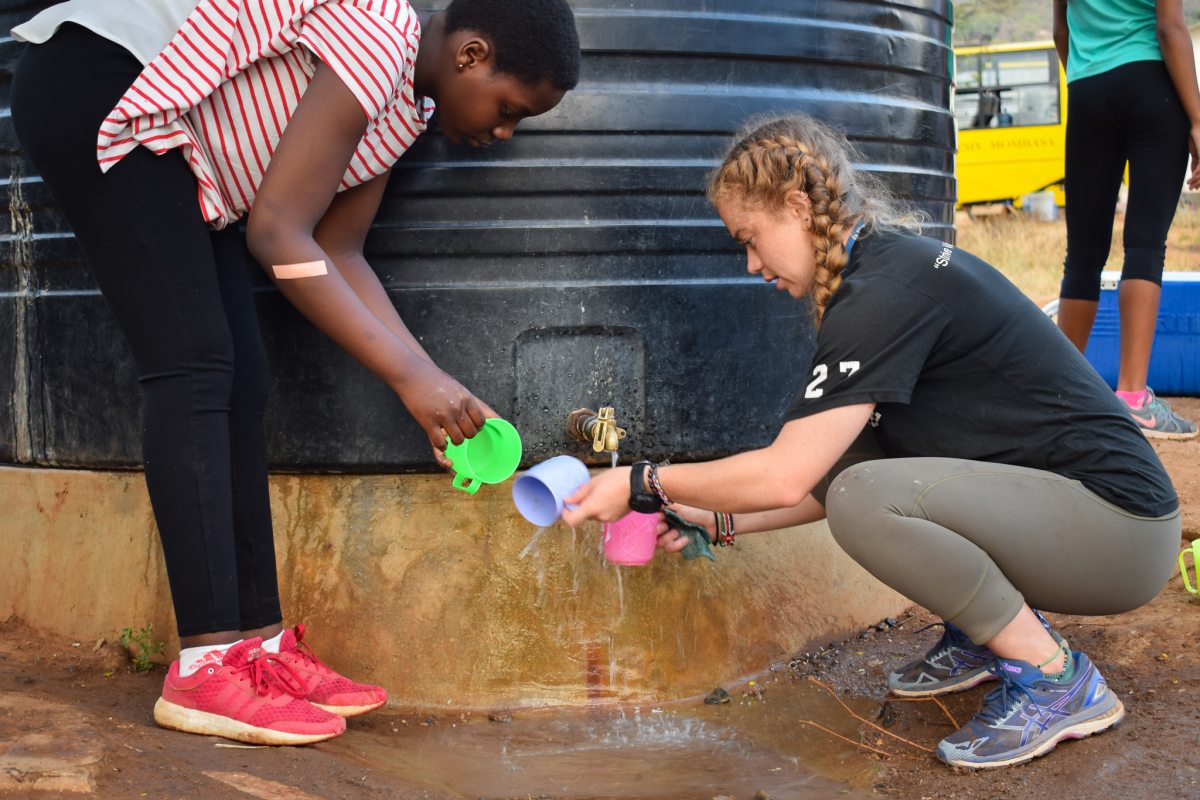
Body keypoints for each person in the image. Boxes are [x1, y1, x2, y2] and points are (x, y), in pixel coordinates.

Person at [10, 0, 579, 745]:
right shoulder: (384, 34)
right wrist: (411, 379)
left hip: (177, 144)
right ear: (471, 55)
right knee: (193, 364)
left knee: (240, 373)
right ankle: (206, 664)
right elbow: (276, 230)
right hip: (100, 80)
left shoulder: (402, 109)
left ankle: (259, 650)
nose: (502, 132)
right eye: (510, 109)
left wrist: (431, 380)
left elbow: (334, 253)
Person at [561, 114, 1181, 769]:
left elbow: (788, 477)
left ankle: (1057, 679)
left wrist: (641, 481)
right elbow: (832, 471)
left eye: (750, 239)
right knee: (860, 467)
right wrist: (713, 517)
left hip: (1121, 531)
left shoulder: (882, 293)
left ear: (797, 208)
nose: (750, 264)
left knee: (866, 495)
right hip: (1078, 514)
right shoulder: (881, 269)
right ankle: (987, 633)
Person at [1052, 0, 1200, 439]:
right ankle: (1134, 399)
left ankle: (1062, 396)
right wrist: (1197, 119)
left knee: (1082, 253)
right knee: (1145, 244)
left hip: (1086, 89)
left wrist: (1089, 78)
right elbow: (1170, 28)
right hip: (1150, 84)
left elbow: (1061, 31)